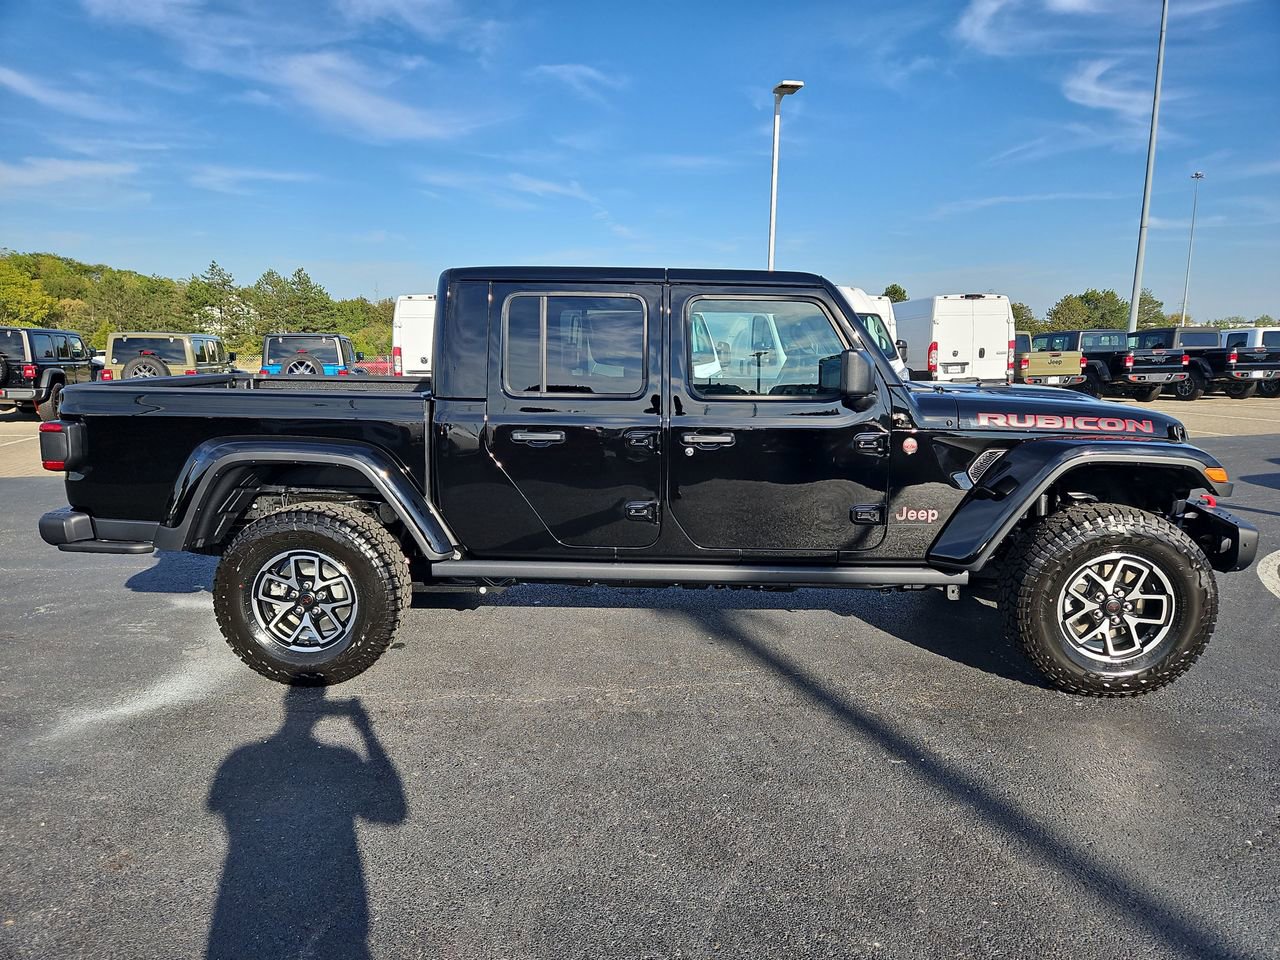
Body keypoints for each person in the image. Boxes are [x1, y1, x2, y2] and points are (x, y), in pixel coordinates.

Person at [206, 687, 405, 959]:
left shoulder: (241, 758)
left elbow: (217, 804)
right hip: (334, 898)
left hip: (246, 899)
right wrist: (365, 731)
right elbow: (392, 812)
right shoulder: (340, 759)